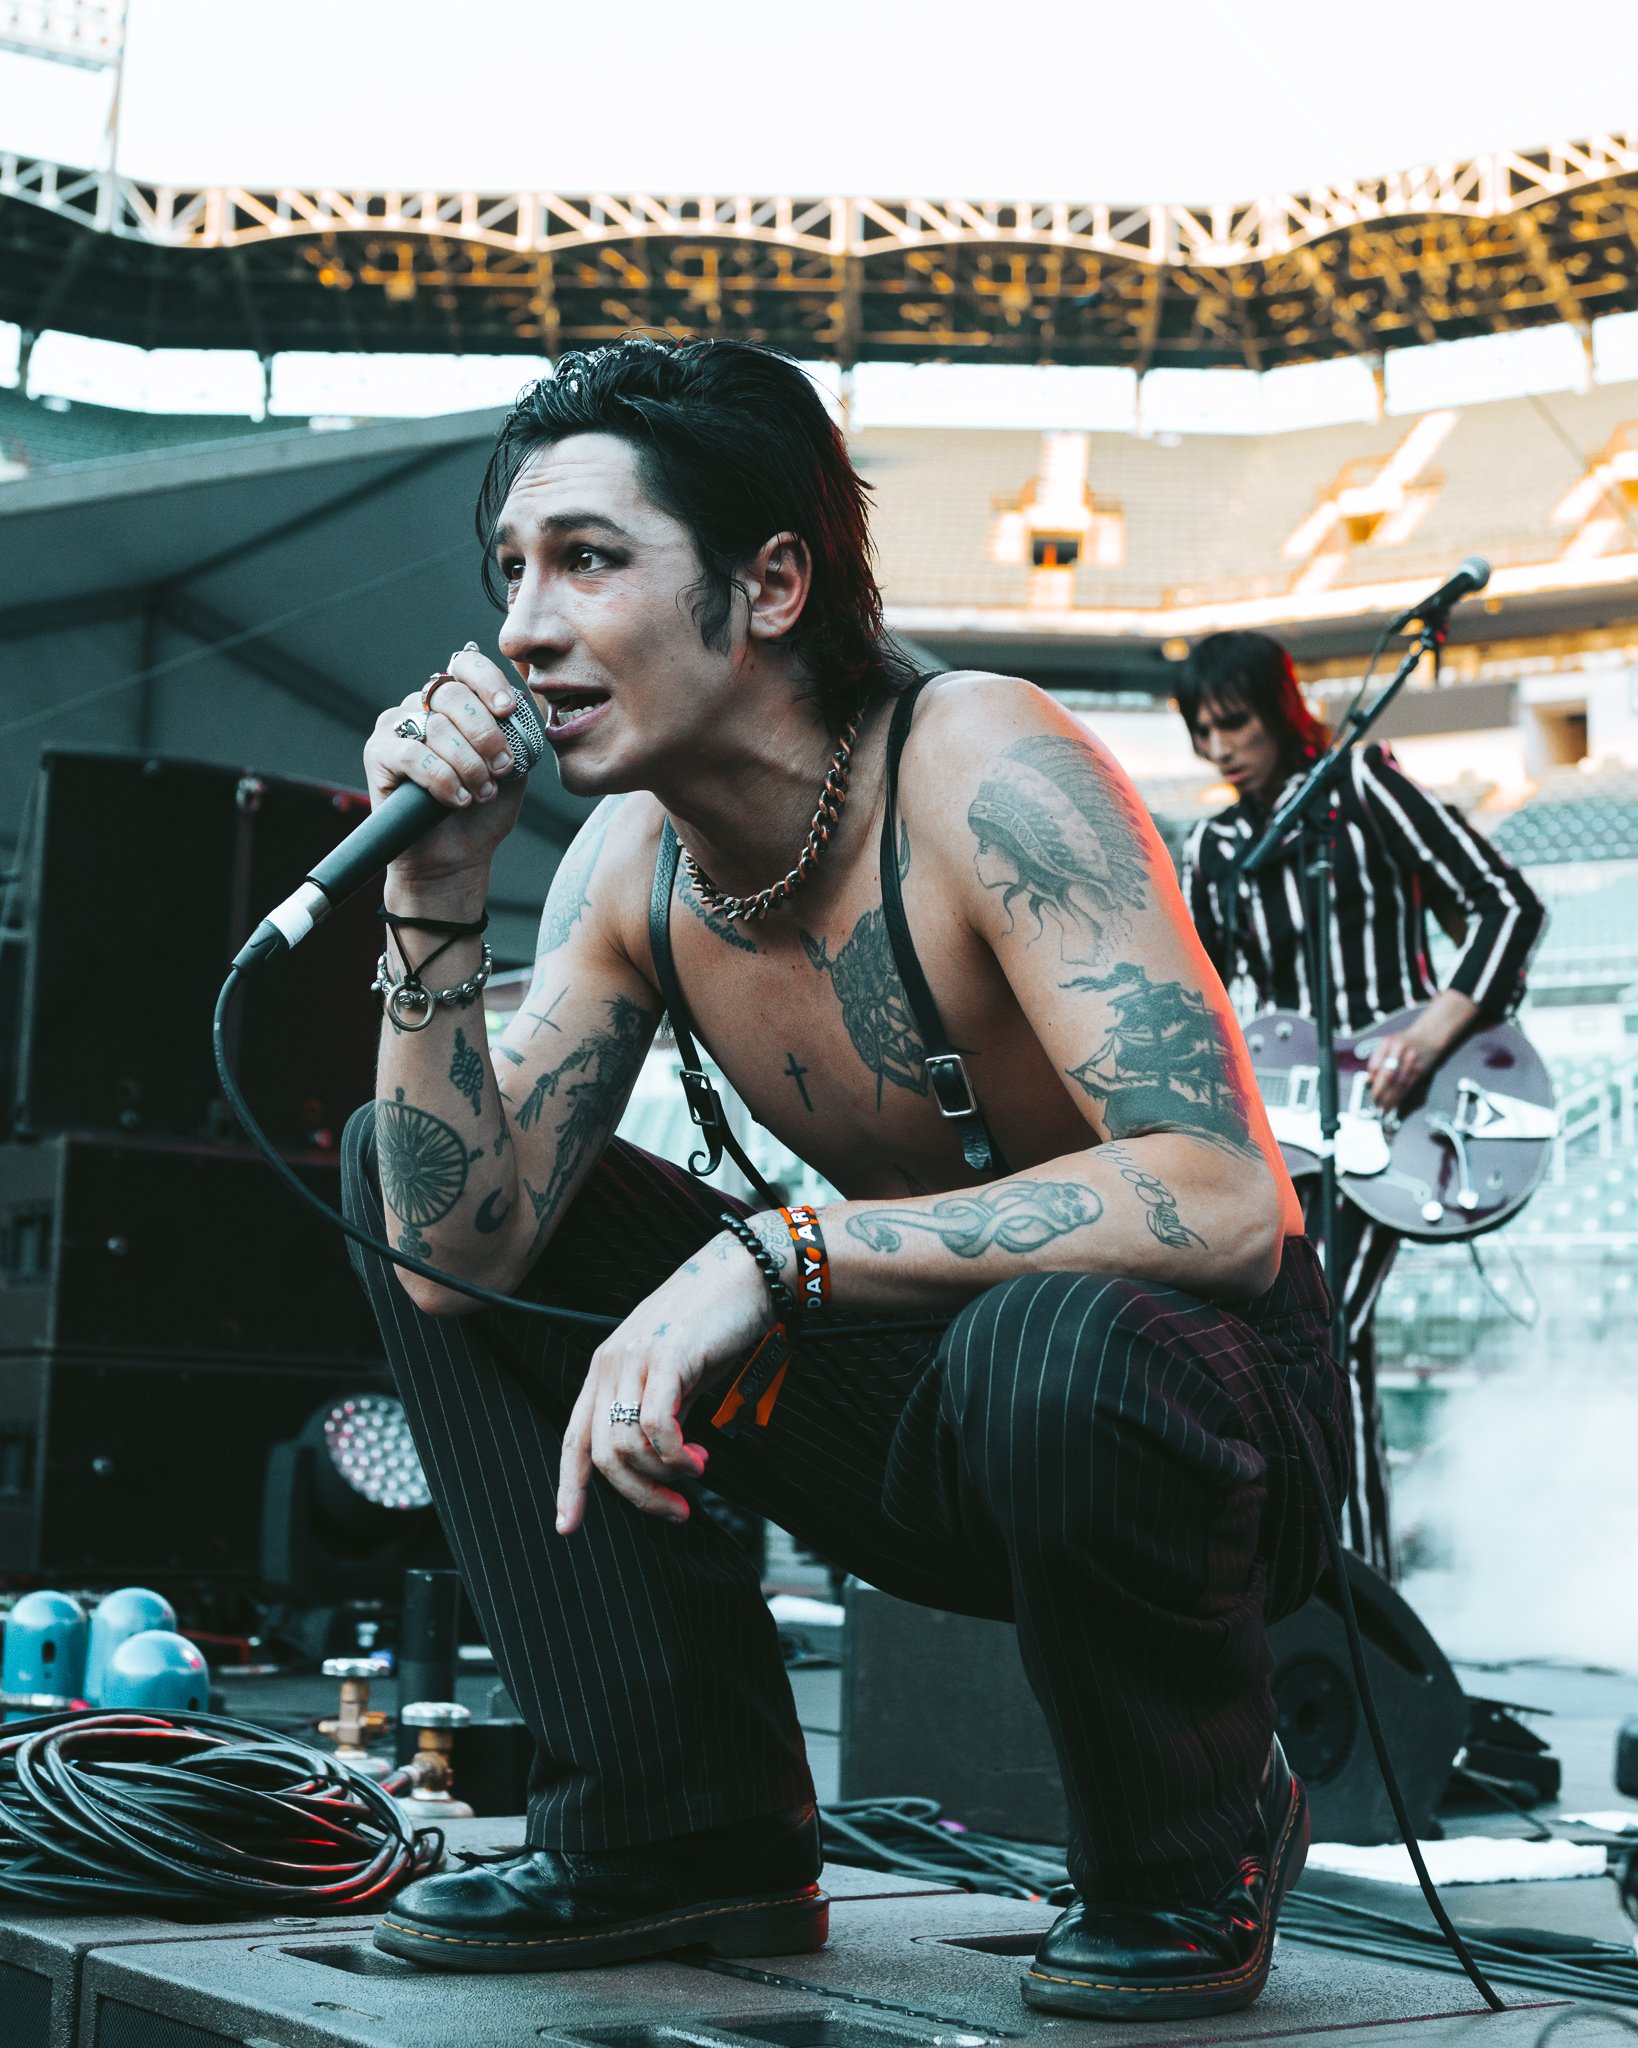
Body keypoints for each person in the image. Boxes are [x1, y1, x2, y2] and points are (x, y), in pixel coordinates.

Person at [340, 337, 1351, 2023]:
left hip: (1194, 1406)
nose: (523, 626)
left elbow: (1226, 1198)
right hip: (921, 1404)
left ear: (771, 582)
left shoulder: (980, 760)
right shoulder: (627, 866)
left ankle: (1191, 1842)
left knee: (1054, 1339)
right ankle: (684, 1826)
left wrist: (774, 1256)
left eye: (587, 559)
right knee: (397, 1160)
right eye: (508, 570)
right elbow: (458, 1261)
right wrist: (432, 900)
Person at [1177, 630, 1546, 1577]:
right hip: (1296, 1128)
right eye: (1203, 729)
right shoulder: (1216, 846)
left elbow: (1508, 906)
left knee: (1315, 1329)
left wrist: (1428, 1037)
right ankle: (1346, 1579)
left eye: (1237, 721)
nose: (1221, 747)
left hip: (1402, 1113)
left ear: (1280, 709)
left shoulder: (1364, 787)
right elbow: (1202, 995)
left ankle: (1340, 1589)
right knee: (1322, 1342)